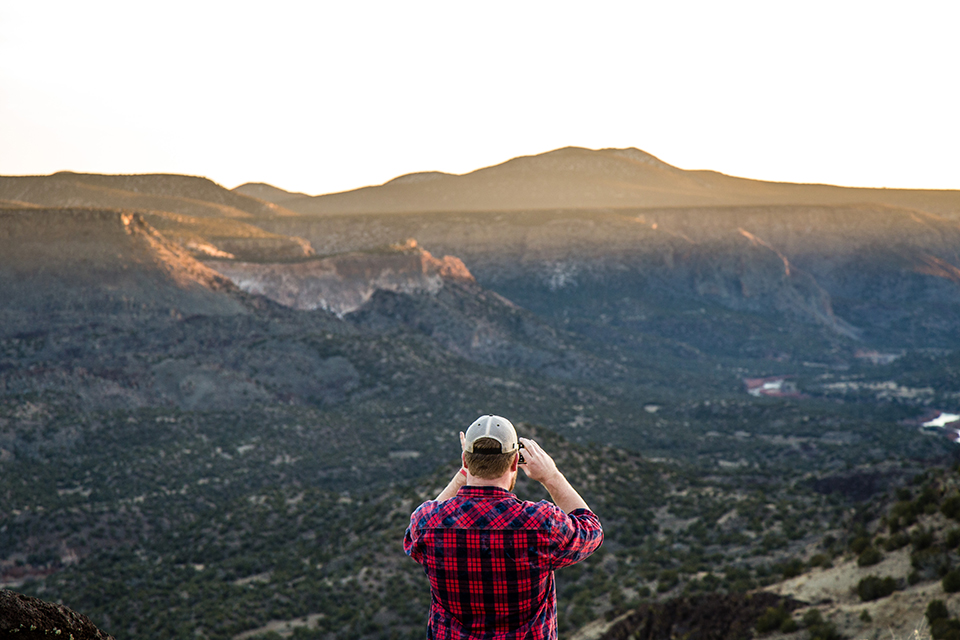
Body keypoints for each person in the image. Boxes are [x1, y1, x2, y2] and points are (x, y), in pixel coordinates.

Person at [403, 415, 603, 639]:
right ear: (515, 460)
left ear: (465, 461)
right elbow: (592, 529)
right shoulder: (542, 523)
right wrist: (551, 476)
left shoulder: (426, 524)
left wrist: (463, 475)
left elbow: (413, 536)